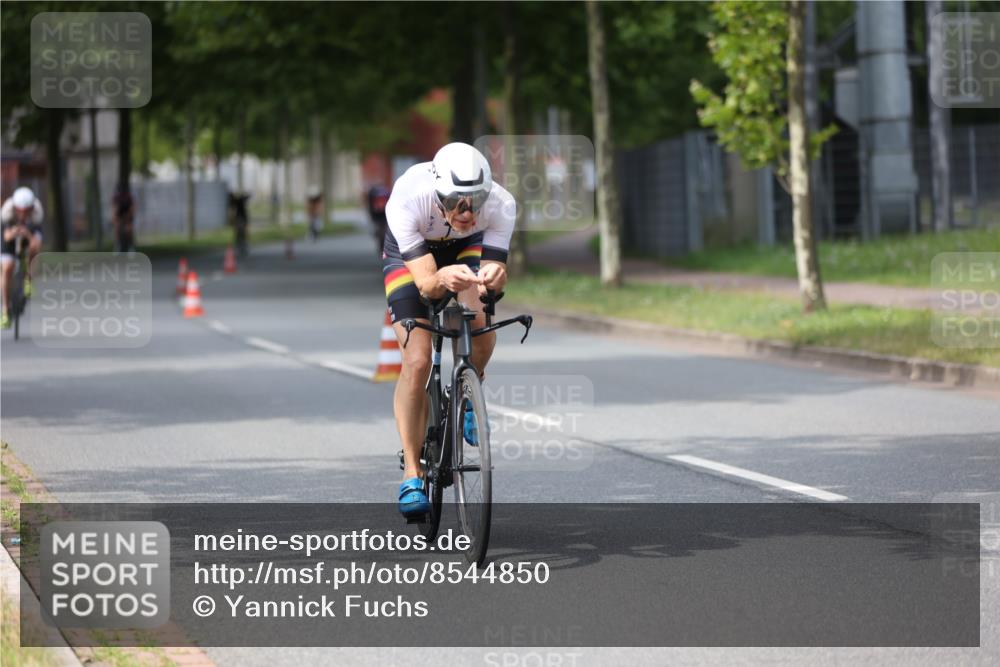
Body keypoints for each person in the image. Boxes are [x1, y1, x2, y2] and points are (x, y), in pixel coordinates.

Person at [383, 142, 515, 518]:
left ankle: (470, 391)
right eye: (457, 200)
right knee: (419, 359)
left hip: (464, 249)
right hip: (413, 256)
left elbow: (497, 278)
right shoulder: (408, 197)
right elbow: (426, 286)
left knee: (480, 321)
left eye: (476, 199)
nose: (467, 211)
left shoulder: (501, 205)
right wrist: (441, 277)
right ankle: (412, 471)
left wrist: (495, 279)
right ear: (439, 193)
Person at [1, 187, 44, 329]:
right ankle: (6, 311)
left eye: (27, 211)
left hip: (28, 235)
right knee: (7, 268)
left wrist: (27, 234)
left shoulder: (37, 213)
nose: (23, 214)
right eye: (20, 210)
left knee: (35, 248)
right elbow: (6, 237)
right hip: (10, 238)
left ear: (31, 208)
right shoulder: (7, 211)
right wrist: (14, 232)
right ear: (16, 208)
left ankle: (28, 279)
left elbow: (36, 243)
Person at [367, 183, 390, 257]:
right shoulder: (372, 197)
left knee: (383, 231)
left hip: (384, 214)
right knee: (380, 230)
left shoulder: (386, 195)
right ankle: (381, 247)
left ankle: (383, 247)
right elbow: (371, 210)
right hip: (377, 215)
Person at [111, 183, 135, 254]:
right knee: (117, 229)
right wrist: (115, 219)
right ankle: (117, 246)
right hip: (119, 214)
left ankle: (130, 247)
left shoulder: (128, 197)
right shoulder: (116, 197)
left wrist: (128, 219)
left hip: (127, 214)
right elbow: (114, 209)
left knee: (128, 230)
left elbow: (132, 209)